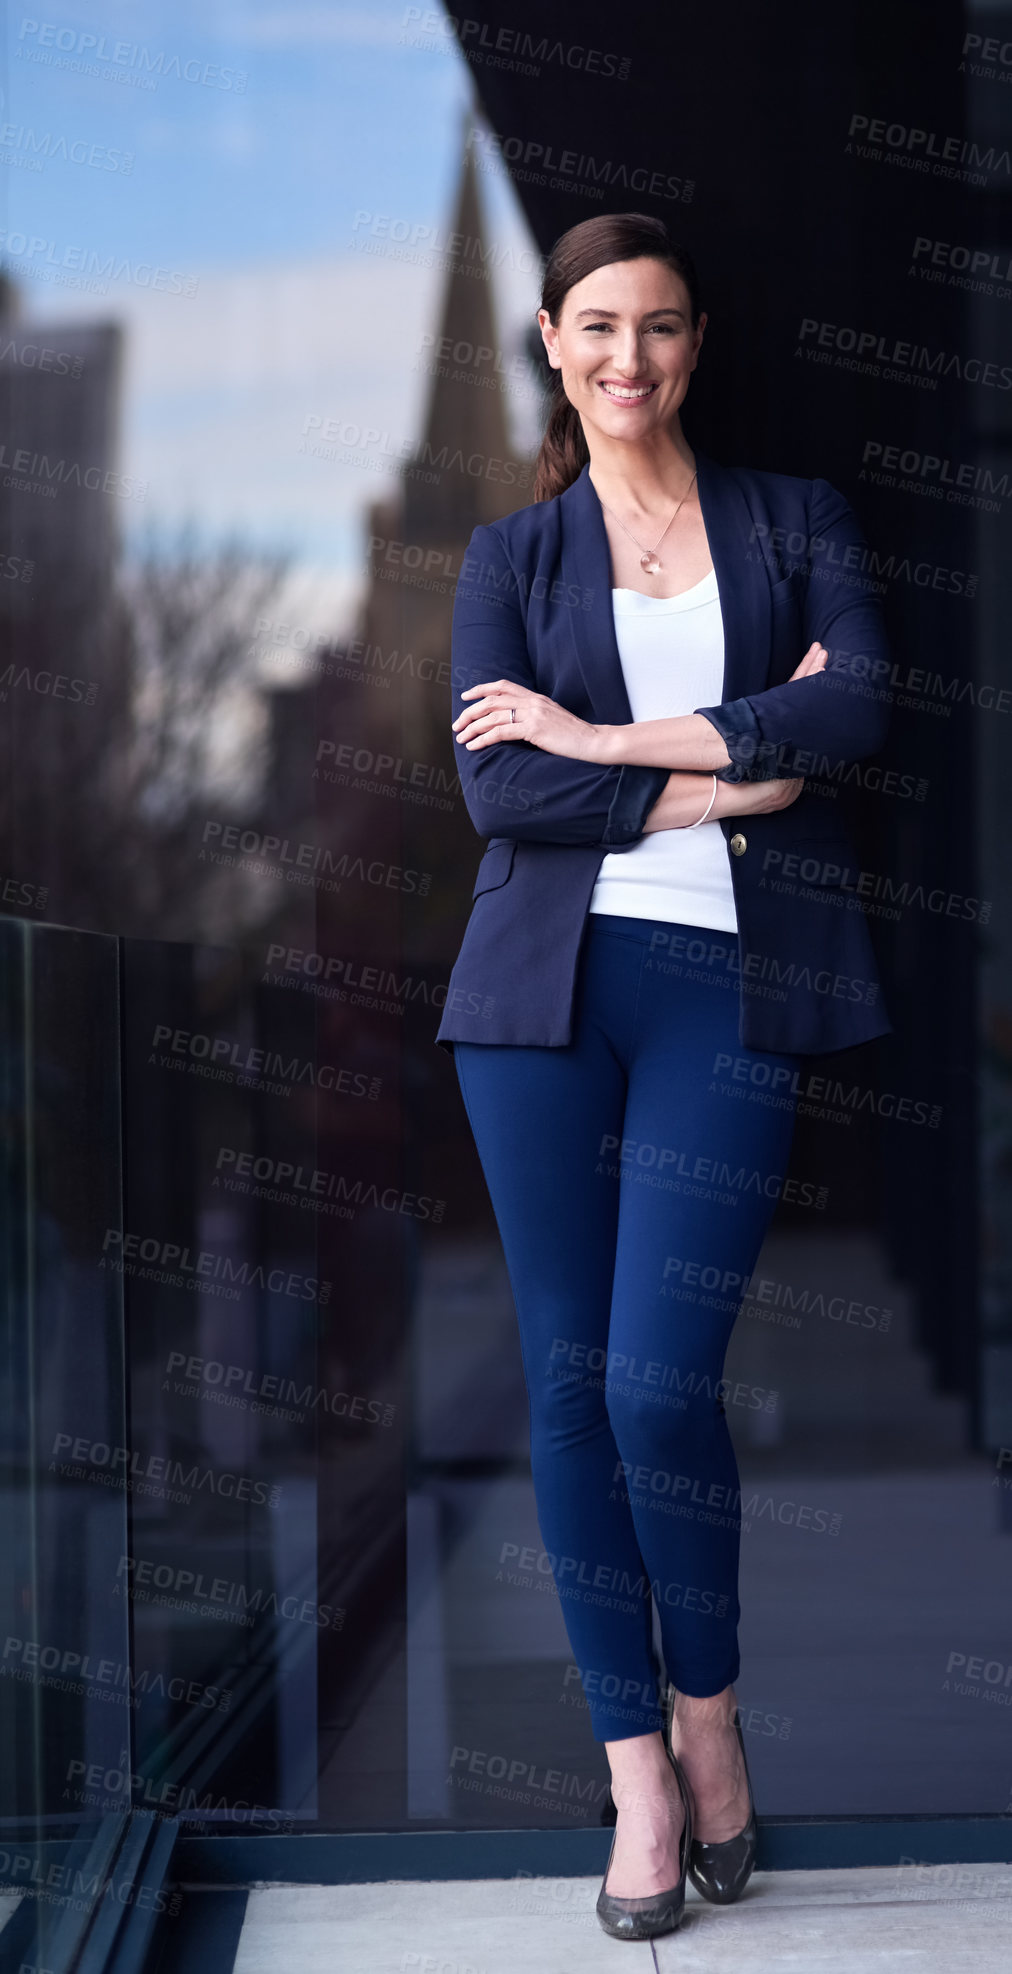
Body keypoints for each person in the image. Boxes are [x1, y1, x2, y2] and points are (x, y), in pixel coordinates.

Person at [435, 211, 892, 1940]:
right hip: (537, 1004)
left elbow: (857, 710)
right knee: (565, 1385)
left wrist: (610, 739)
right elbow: (501, 796)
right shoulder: (509, 558)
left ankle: (712, 1710)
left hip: (727, 989)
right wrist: (729, 771)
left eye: (665, 327)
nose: (632, 357)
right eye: (599, 327)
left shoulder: (797, 521)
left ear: (697, 345)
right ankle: (636, 1770)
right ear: (552, 341)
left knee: (651, 1384)